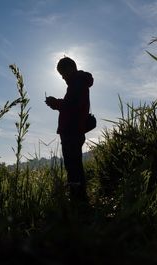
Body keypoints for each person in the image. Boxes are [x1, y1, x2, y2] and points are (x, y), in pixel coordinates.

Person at [45, 57, 93, 202]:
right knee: (75, 165)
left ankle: (77, 201)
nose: (62, 77)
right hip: (75, 131)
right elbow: (73, 105)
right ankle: (80, 199)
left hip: (72, 131)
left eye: (63, 73)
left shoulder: (77, 83)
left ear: (71, 68)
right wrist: (58, 104)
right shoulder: (78, 82)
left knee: (72, 167)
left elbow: (72, 106)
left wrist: (55, 103)